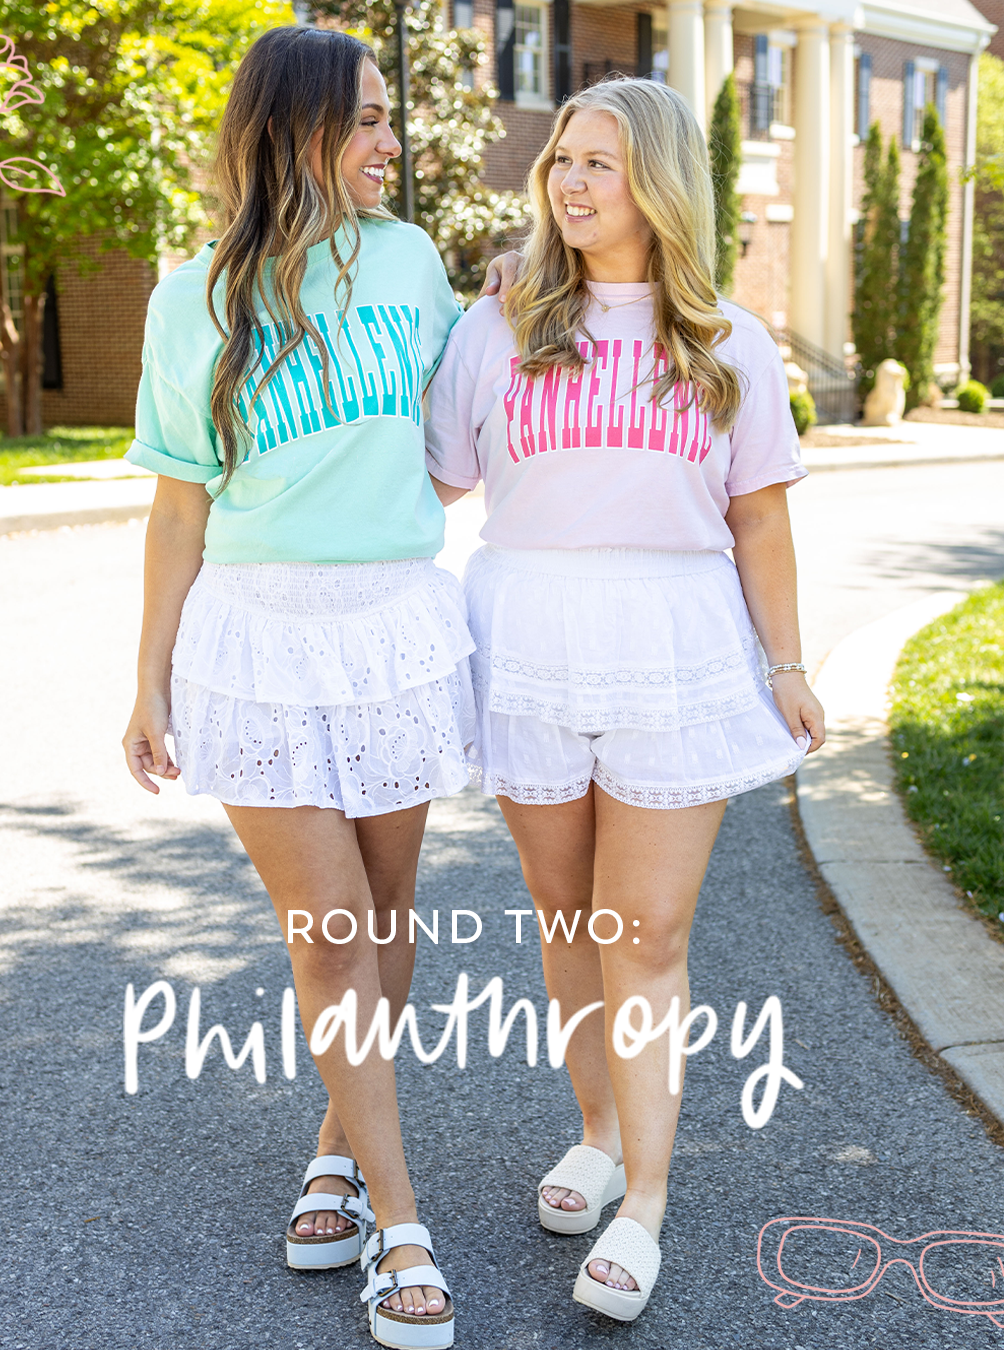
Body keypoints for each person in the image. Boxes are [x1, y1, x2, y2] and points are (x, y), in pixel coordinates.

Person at [120, 27, 509, 1348]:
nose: (393, 141)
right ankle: (402, 1226)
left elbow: (464, 414)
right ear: (297, 130)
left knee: (388, 918)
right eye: (368, 121)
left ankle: (339, 1150)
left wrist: (517, 292)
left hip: (395, 623)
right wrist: (148, 682)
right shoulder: (192, 299)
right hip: (258, 640)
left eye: (391, 116)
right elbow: (180, 507)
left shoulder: (409, 261)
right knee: (332, 933)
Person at [425, 75, 825, 1322]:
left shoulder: (727, 341)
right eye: (562, 159)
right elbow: (433, 482)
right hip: (527, 640)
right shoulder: (496, 328)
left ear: (658, 182)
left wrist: (788, 664)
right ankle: (596, 1133)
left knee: (644, 934)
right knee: (566, 917)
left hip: (673, 648)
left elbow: (760, 522)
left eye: (599, 162)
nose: (571, 181)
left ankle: (645, 1199)